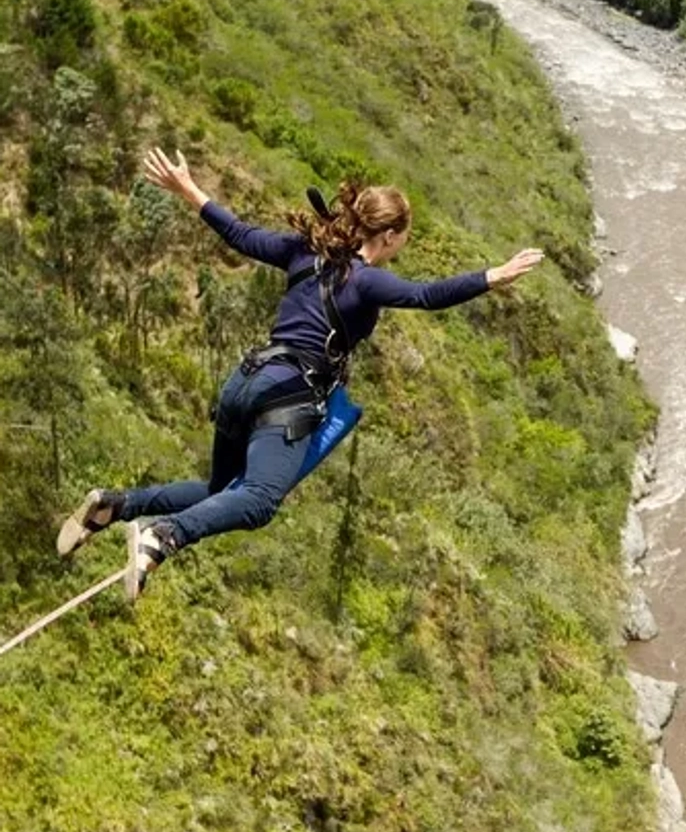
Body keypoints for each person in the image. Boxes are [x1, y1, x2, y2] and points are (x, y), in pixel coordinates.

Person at [58, 147, 543, 601]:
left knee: (218, 492)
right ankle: (163, 534)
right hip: (287, 396)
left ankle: (116, 505)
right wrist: (491, 276)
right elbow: (425, 295)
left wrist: (189, 189)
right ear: (390, 237)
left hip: (245, 380)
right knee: (259, 501)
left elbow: (241, 234)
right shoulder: (369, 279)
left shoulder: (303, 251)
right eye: (403, 238)